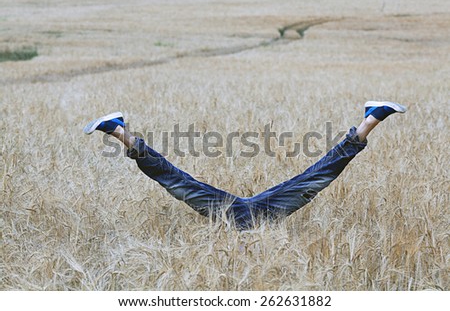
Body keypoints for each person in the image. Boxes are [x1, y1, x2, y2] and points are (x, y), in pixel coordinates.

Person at [84, 101, 406, 229]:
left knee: (175, 180)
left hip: (237, 214)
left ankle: (119, 130)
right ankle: (367, 122)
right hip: (256, 214)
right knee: (314, 178)